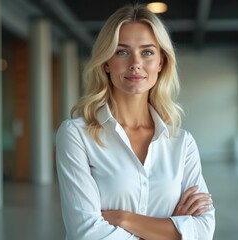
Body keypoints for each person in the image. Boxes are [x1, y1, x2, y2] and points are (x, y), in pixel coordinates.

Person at [55, 4, 215, 240]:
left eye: (147, 52)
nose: (135, 63)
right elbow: (87, 234)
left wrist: (123, 218)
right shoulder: (76, 135)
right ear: (106, 62)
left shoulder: (181, 143)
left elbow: (203, 231)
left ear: (161, 62)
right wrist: (170, 228)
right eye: (122, 51)